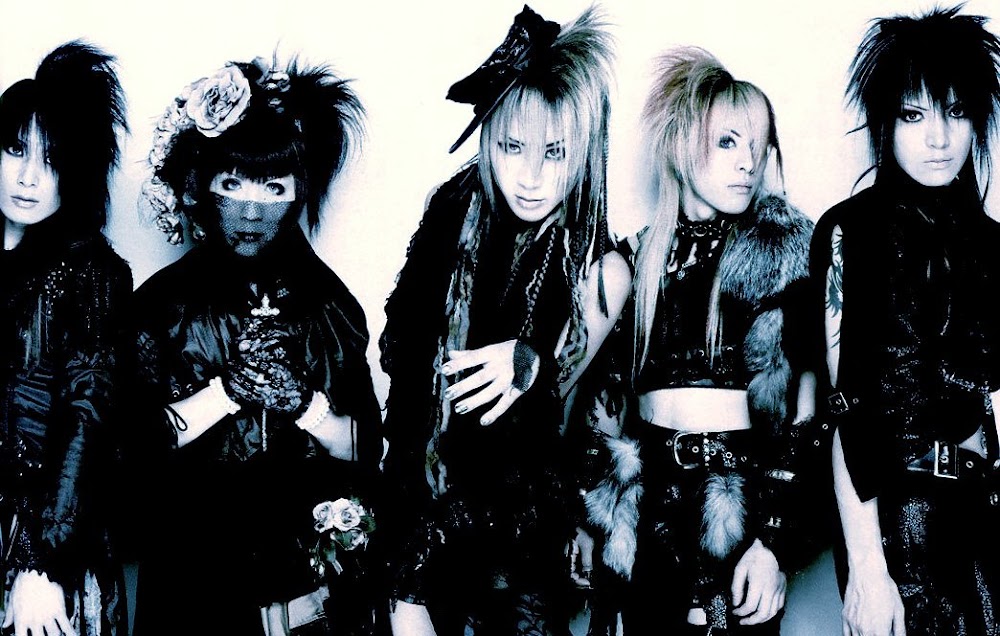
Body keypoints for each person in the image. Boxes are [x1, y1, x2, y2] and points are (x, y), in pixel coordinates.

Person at [379, 5, 629, 634]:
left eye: (555, 153)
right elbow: (403, 357)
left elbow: (559, 392)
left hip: (519, 534)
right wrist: (409, 560)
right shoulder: (450, 212)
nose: (532, 177)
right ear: (488, 140)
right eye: (513, 148)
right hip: (419, 512)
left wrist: (527, 362)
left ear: (584, 154)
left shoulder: (600, 268)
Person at [130, 53, 383, 636]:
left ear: (299, 191)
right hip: (191, 586)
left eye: (272, 186)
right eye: (231, 183)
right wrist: (226, 393)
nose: (249, 208)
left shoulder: (332, 308)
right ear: (201, 186)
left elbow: (365, 447)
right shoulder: (161, 307)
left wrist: (306, 406)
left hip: (305, 587)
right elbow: (129, 456)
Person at [584, 47, 815, 635]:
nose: (748, 164)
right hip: (642, 517)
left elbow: (808, 410)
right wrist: (593, 522)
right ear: (681, 146)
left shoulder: (782, 251)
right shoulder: (636, 260)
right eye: (727, 142)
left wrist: (774, 543)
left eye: (758, 147)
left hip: (736, 518)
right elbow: (601, 405)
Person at [812, 7, 1000, 635]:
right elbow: (847, 409)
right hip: (896, 525)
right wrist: (867, 569)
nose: (938, 138)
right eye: (914, 115)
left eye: (956, 112)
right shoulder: (851, 232)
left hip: (984, 518)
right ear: (885, 125)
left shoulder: (993, 248)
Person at [0, 41, 131, 635]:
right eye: (15, 150)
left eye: (52, 159)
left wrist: (42, 562)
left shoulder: (90, 270)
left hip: (44, 533)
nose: (29, 177)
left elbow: (88, 410)